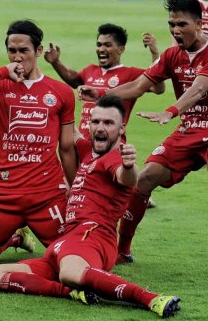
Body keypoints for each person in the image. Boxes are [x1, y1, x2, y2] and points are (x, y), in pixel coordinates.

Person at [78, 0, 208, 271]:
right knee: (144, 179)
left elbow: (199, 88)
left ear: (201, 24)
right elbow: (138, 85)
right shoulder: (172, 55)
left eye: (182, 24)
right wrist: (100, 94)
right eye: (171, 24)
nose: (175, 30)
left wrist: (170, 111)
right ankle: (123, 249)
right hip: (189, 129)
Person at [0, 95, 181, 318]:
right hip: (66, 242)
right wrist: (48, 98)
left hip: (93, 236)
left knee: (70, 272)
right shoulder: (88, 149)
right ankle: (69, 293)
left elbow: (127, 178)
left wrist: (129, 165)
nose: (100, 128)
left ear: (121, 127)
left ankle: (150, 298)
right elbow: (71, 130)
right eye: (95, 122)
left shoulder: (115, 158)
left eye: (108, 123)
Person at [0, 20, 78, 268]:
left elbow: (66, 147)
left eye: (24, 50)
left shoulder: (61, 92)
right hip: (3, 194)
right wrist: (0, 72)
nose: (17, 57)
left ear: (39, 51)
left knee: (70, 258)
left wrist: (74, 189)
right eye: (12, 51)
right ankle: (13, 238)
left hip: (47, 194)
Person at [43, 23, 164, 262]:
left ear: (120, 48)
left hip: (110, 148)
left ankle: (109, 242)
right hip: (83, 145)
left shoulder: (130, 74)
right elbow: (72, 78)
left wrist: (154, 54)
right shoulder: (90, 71)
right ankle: (77, 237)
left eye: (108, 44)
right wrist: (56, 62)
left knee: (107, 197)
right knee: (78, 193)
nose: (101, 49)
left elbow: (158, 86)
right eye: (99, 44)